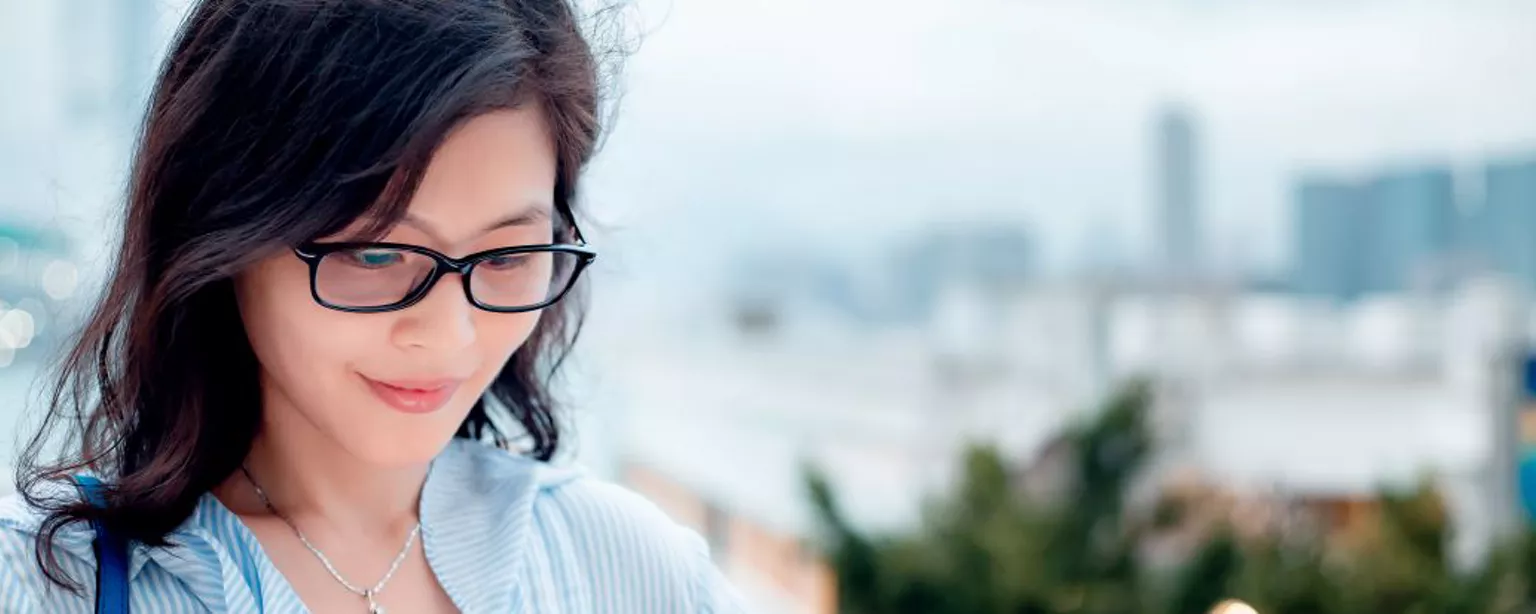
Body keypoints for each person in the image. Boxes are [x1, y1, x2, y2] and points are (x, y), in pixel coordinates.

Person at [0, 0, 747, 611]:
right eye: (378, 255)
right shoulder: (47, 583)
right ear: (225, 232)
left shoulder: (625, 570)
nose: (450, 334)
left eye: (507, 256)